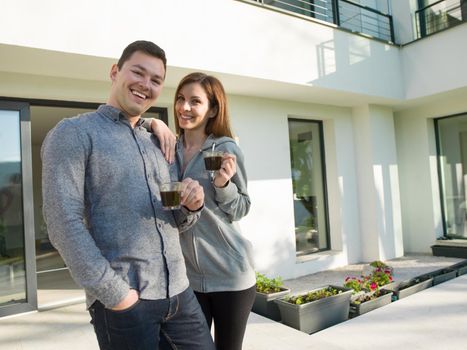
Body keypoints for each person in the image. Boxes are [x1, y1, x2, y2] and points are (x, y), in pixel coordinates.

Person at [41, 41, 215, 350]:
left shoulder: (159, 141)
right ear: (114, 72)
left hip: (180, 293)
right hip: (125, 303)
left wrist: (192, 206)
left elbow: (176, 220)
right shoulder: (74, 134)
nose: (145, 85)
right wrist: (116, 294)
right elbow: (61, 222)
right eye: (138, 72)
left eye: (156, 80)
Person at [148, 72, 255, 350]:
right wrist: (153, 121)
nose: (184, 107)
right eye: (180, 99)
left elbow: (241, 208)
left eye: (195, 101)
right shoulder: (168, 148)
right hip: (188, 278)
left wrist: (223, 184)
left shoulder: (225, 149)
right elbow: (133, 127)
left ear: (213, 109)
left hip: (230, 275)